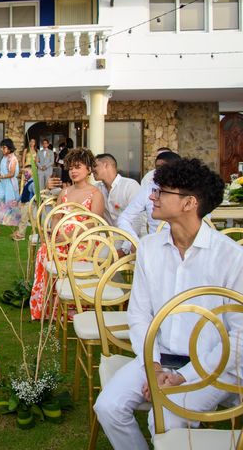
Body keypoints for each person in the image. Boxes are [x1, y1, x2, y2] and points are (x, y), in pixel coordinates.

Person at [94, 158, 243, 450]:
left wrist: (181, 376)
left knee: (162, 421)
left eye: (161, 191)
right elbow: (138, 314)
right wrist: (154, 366)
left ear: (189, 203)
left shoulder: (231, 257)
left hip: (213, 366)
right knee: (108, 407)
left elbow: (239, 336)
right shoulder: (149, 249)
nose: (152, 196)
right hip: (157, 356)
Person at [29, 148, 104, 320]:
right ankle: (49, 306)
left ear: (89, 169)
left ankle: (74, 305)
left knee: (61, 253)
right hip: (62, 238)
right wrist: (56, 234)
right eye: (70, 168)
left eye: (78, 167)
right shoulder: (65, 192)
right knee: (45, 250)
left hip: (84, 242)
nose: (73, 171)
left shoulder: (95, 194)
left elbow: (93, 223)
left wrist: (69, 237)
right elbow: (56, 217)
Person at [117, 151, 182, 249]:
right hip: (156, 248)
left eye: (162, 167)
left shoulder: (188, 192)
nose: (157, 172)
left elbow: (202, 221)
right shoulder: (149, 189)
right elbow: (124, 218)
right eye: (157, 167)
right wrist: (136, 243)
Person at [92, 153, 142, 228]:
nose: (92, 170)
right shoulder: (96, 189)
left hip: (131, 236)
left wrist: (129, 239)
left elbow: (137, 220)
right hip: (108, 237)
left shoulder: (130, 186)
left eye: (95, 166)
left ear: (106, 165)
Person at [0, 138, 21, 235]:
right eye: (1, 147)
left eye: (4, 147)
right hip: (2, 185)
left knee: (12, 207)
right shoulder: (4, 158)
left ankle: (18, 230)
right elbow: (3, 171)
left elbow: (12, 174)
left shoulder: (13, 159)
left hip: (10, 185)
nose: (2, 149)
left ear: (10, 148)